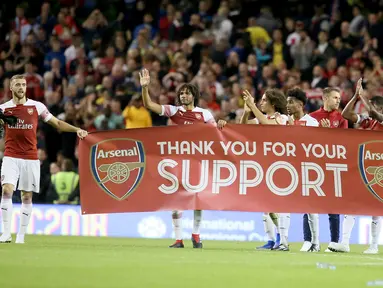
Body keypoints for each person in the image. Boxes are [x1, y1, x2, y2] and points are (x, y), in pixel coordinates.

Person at [0, 74, 88, 244]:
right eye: (17, 84)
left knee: (27, 197)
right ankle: (5, 232)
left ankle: (21, 236)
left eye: (23, 85)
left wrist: (77, 129)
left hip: (31, 157)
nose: (21, 87)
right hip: (11, 156)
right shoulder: (3, 109)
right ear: (11, 87)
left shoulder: (37, 106)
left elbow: (57, 123)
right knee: (6, 191)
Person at [139, 68, 216, 248]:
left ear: (194, 96)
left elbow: (216, 136)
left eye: (187, 93)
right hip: (178, 162)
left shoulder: (204, 114)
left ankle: (196, 235)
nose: (183, 96)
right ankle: (178, 239)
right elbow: (150, 105)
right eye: (181, 93)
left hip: (198, 162)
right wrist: (145, 88)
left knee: (198, 200)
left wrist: (220, 124)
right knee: (176, 201)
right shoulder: (174, 111)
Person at [218, 88, 289, 251]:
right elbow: (243, 127)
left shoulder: (281, 118)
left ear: (273, 103)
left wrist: (253, 106)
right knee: (265, 206)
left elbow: (266, 124)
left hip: (279, 165)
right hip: (263, 163)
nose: (261, 102)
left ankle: (281, 239)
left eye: (264, 100)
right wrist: (246, 111)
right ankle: (272, 240)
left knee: (275, 205)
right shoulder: (261, 118)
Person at [329, 78, 382, 254]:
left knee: (376, 207)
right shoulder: (369, 122)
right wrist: (355, 97)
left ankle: (374, 245)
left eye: (373, 105)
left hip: (379, 170)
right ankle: (344, 242)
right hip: (364, 166)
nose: (368, 107)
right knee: (351, 204)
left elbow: (374, 113)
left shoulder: (380, 118)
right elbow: (346, 114)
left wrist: (363, 96)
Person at [308, 87, 348, 252]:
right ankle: (311, 242)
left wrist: (328, 133)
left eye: (339, 98)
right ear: (325, 98)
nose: (338, 100)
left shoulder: (342, 118)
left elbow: (343, 143)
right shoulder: (312, 118)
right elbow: (307, 143)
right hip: (315, 167)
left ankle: (333, 243)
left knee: (333, 207)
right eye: (335, 97)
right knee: (310, 205)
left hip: (333, 168)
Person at [285, 87, 320, 252]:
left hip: (308, 169)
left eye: (291, 102)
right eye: (287, 102)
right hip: (289, 168)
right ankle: (283, 241)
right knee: (286, 205)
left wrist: (293, 129)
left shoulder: (312, 122)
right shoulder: (285, 121)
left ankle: (314, 242)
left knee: (310, 206)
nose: (288, 105)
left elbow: (312, 146)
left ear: (300, 104)